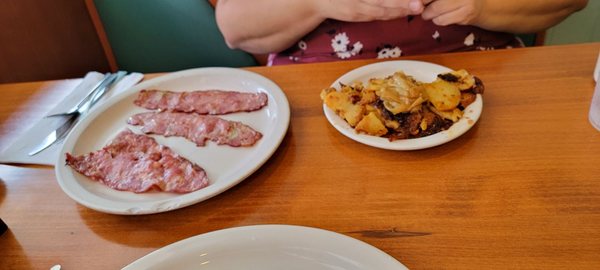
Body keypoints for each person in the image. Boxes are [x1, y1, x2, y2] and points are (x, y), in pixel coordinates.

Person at [215, 0, 588, 65]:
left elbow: (569, 2)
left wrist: (484, 6)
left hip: (484, 83)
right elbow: (235, 29)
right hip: (315, 94)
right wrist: (318, 4)